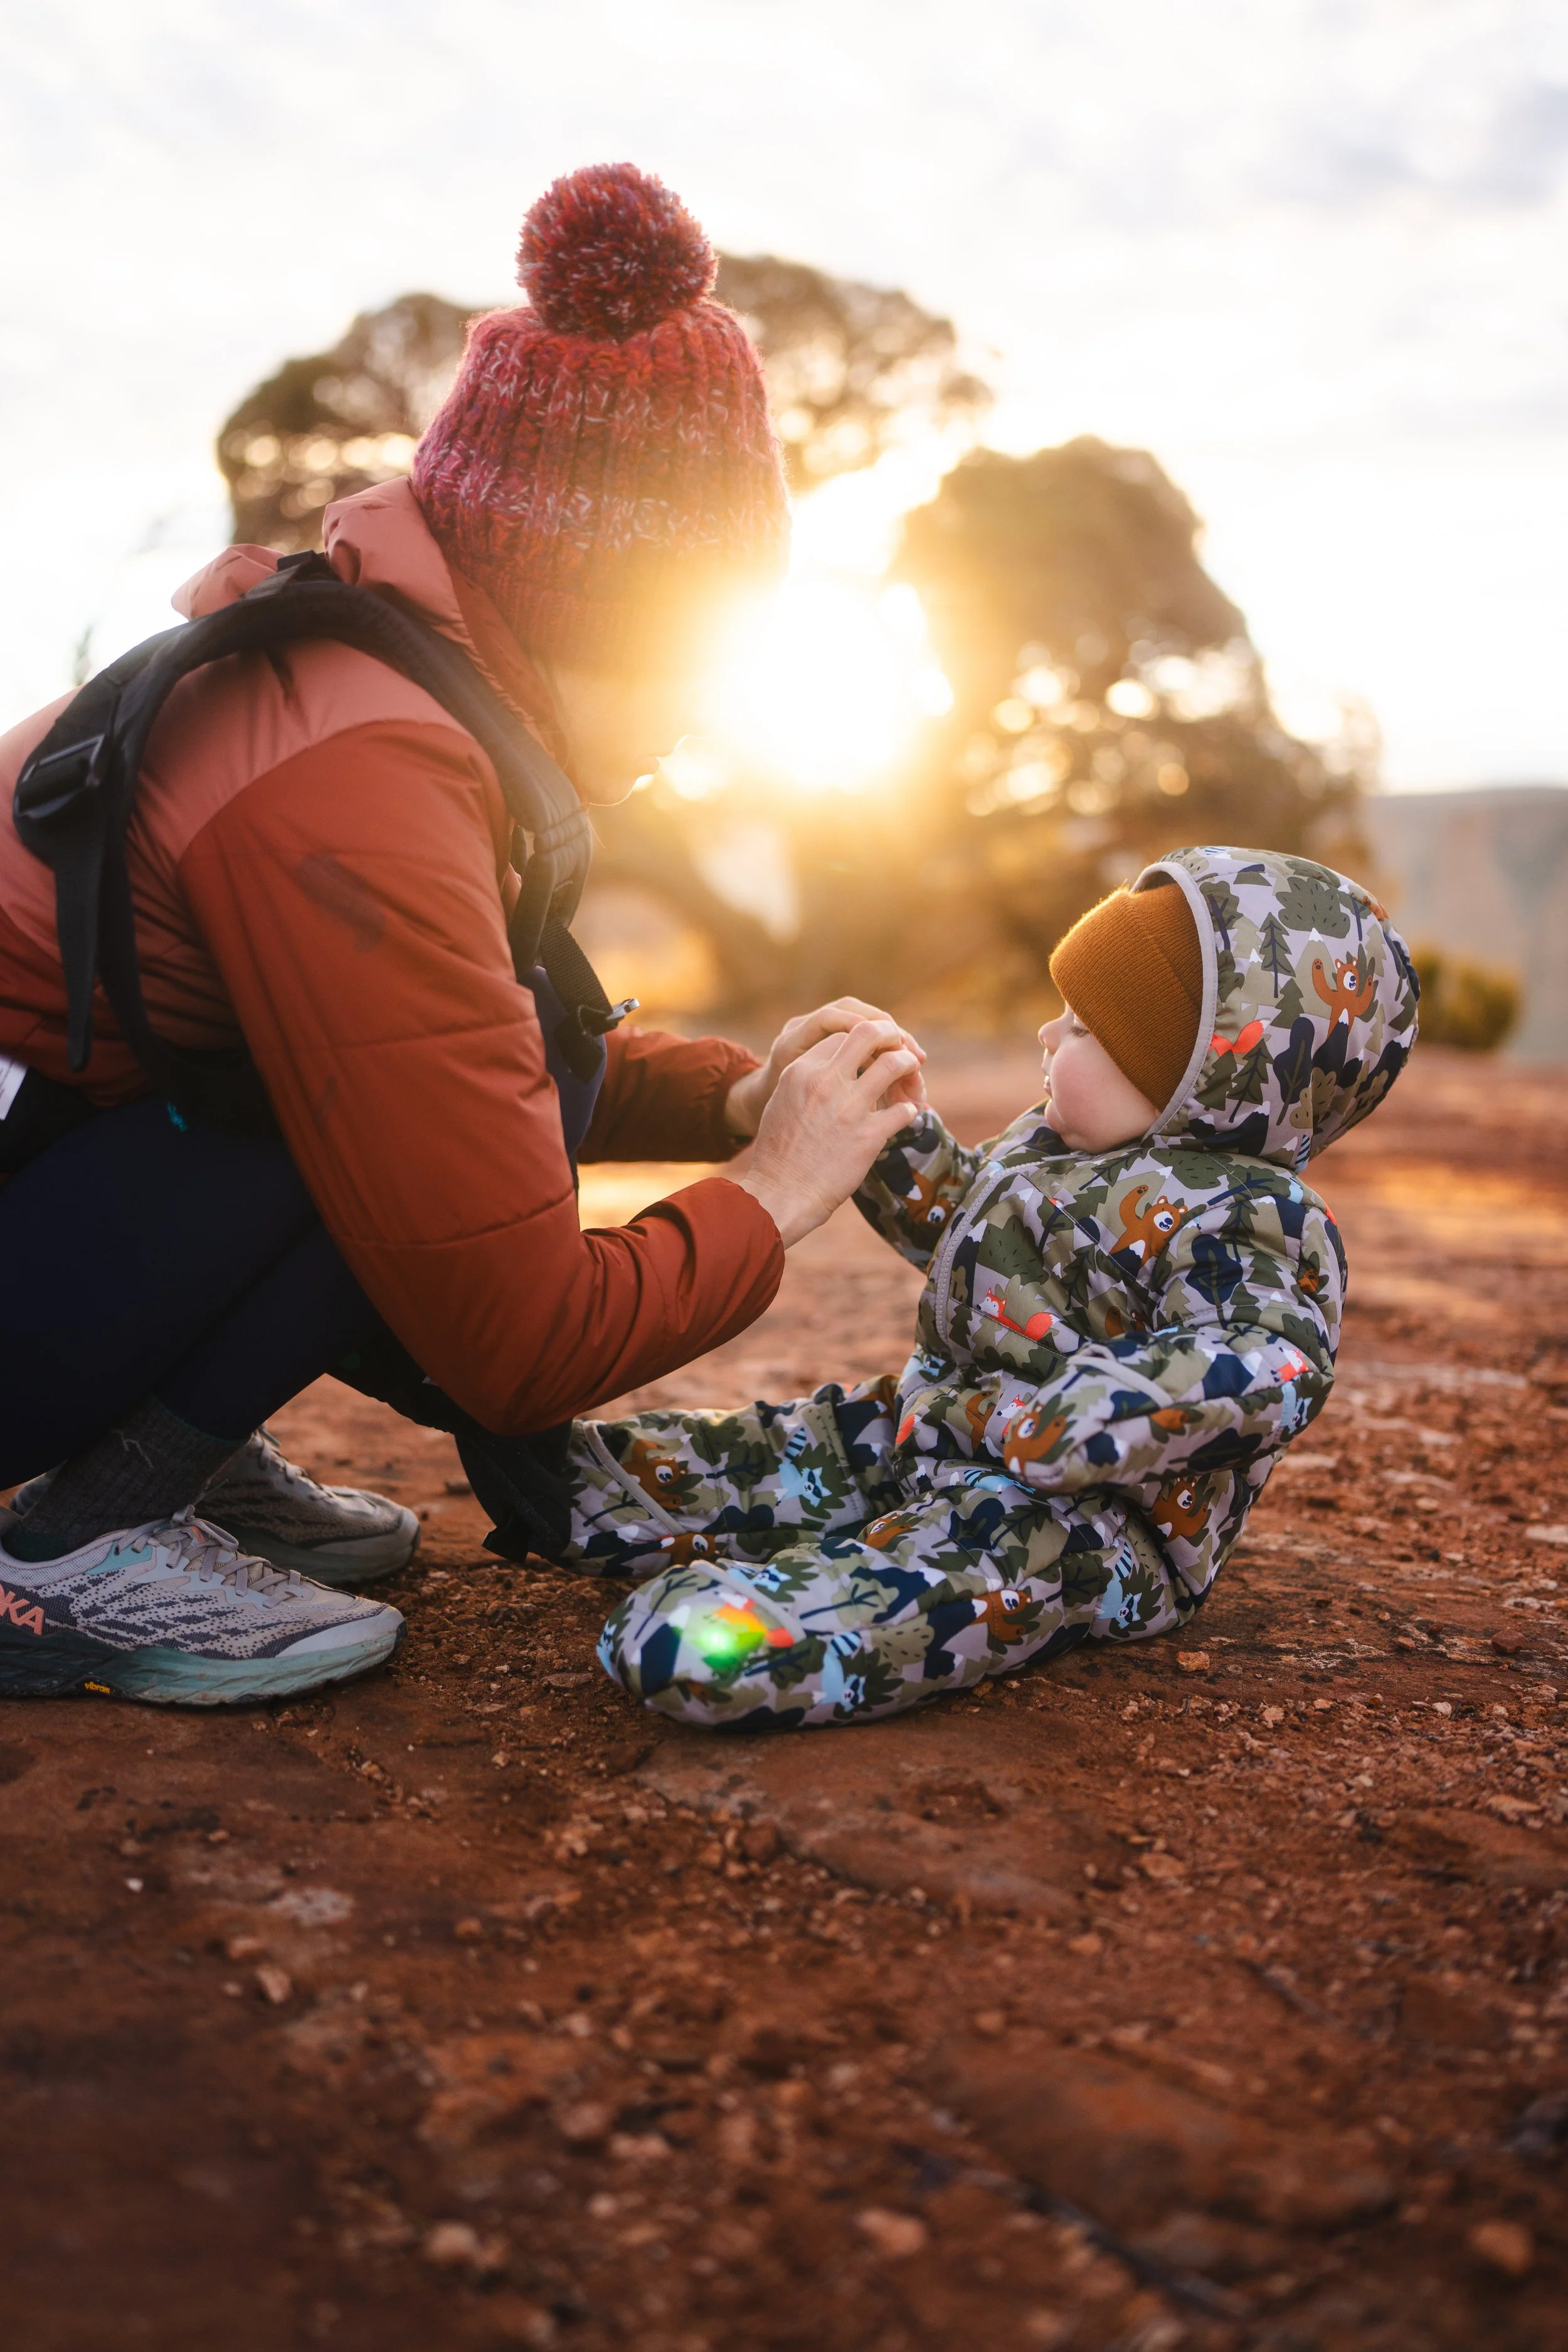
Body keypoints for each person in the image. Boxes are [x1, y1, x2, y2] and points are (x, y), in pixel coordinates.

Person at [0, 161, 921, 1706]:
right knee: (381, 1116)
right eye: (689, 668)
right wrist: (778, 1187)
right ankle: (80, 1545)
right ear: (590, 616)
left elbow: (490, 1040)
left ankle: (166, 1450)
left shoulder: (376, 672)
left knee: (482, 1069)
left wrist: (722, 1102)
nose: (691, 734)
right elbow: (512, 1343)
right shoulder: (361, 769)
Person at [558, 846, 1420, 1729]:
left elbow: (1272, 1357)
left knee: (976, 1562)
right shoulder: (1054, 1150)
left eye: (1083, 1028)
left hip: (1089, 1516)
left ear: (1199, 1072)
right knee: (818, 1443)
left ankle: (765, 1638)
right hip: (942, 1426)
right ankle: (582, 1489)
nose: (1049, 1036)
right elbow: (962, 1229)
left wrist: (1103, 1410)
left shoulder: (1254, 1213)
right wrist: (890, 1134)